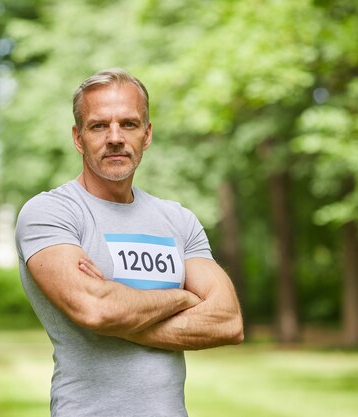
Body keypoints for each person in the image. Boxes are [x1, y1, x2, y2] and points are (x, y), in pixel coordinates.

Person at [15, 68, 244, 417]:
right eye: (98, 125)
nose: (115, 137)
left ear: (147, 134)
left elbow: (228, 321)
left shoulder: (178, 220)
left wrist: (120, 317)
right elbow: (97, 309)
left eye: (129, 124)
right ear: (78, 138)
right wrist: (183, 297)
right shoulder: (52, 213)